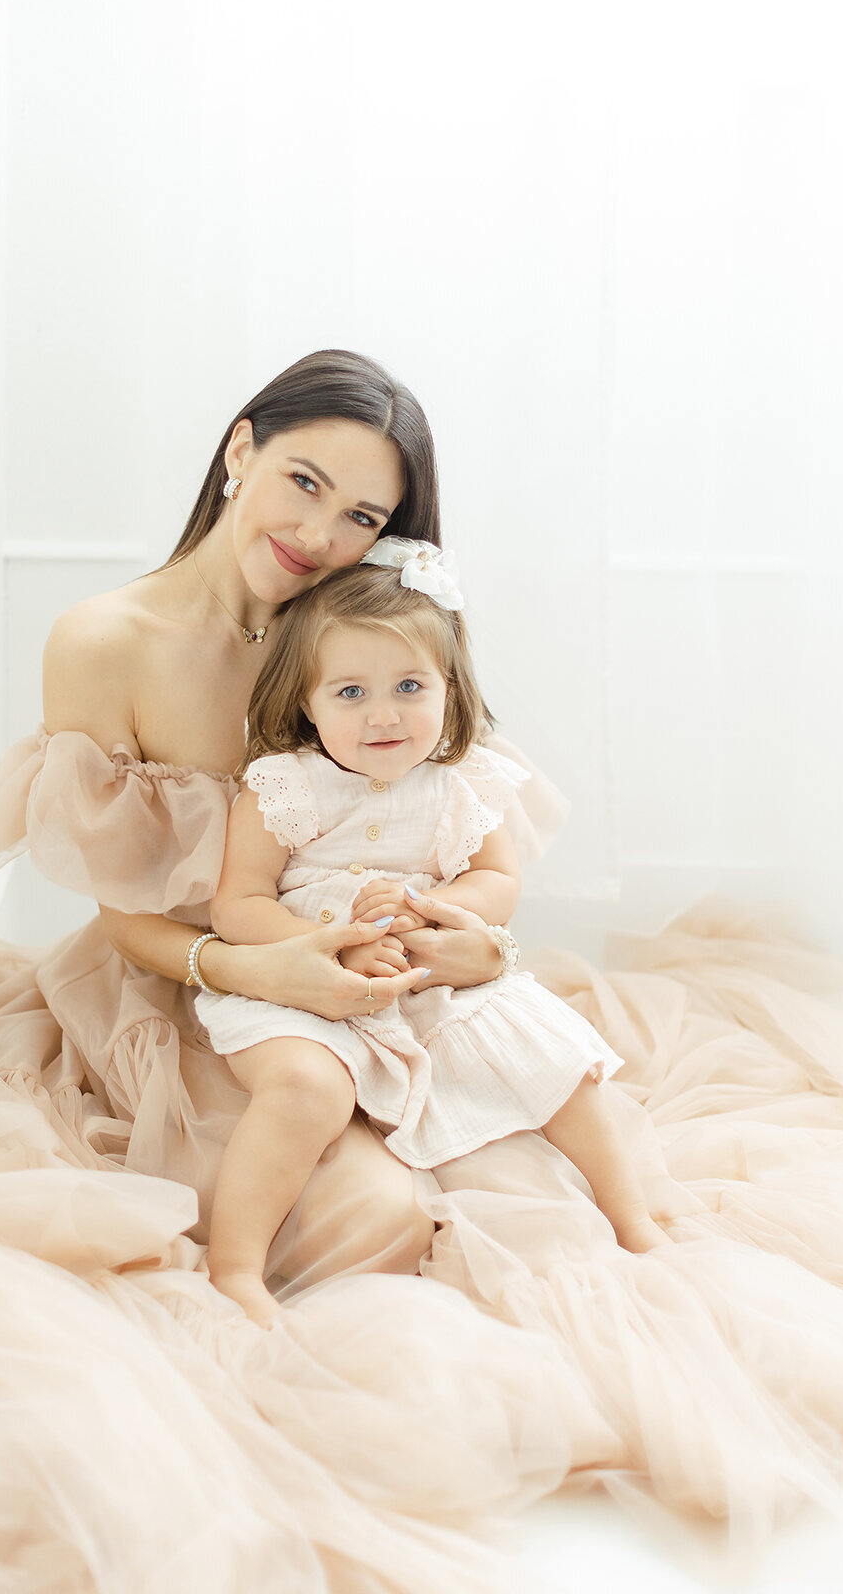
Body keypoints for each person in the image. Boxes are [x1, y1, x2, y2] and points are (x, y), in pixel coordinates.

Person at [0, 347, 843, 1586]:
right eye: (301, 481)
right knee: (371, 1215)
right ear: (237, 450)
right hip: (191, 975)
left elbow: (452, 817)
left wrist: (474, 937)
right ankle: (247, 1282)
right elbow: (124, 915)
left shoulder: (347, 629)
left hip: (366, 958)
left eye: (363, 515)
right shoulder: (104, 638)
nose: (318, 531)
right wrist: (262, 971)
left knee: (527, 1160)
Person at [199, 542, 667, 1324]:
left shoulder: (463, 780)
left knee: (559, 1059)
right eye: (350, 691)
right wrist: (321, 938)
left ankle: (634, 1221)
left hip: (423, 969)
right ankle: (235, 1265)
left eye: (409, 686)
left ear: (449, 692)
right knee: (306, 1089)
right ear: (306, 702)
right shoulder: (284, 784)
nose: (383, 713)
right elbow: (237, 904)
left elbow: (497, 881)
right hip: (298, 984)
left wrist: (444, 914)